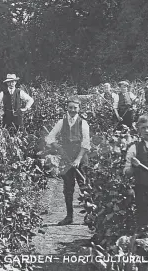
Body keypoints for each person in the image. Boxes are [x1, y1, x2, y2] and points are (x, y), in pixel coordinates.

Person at [45, 97, 91, 226]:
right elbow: (50, 137)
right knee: (68, 188)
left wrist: (78, 159)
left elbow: (86, 143)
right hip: (66, 158)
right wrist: (58, 147)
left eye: (75, 108)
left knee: (84, 186)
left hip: (80, 157)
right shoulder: (61, 122)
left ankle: (89, 215)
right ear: (67, 108)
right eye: (70, 107)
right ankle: (69, 216)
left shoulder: (83, 123)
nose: (72, 110)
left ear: (79, 109)